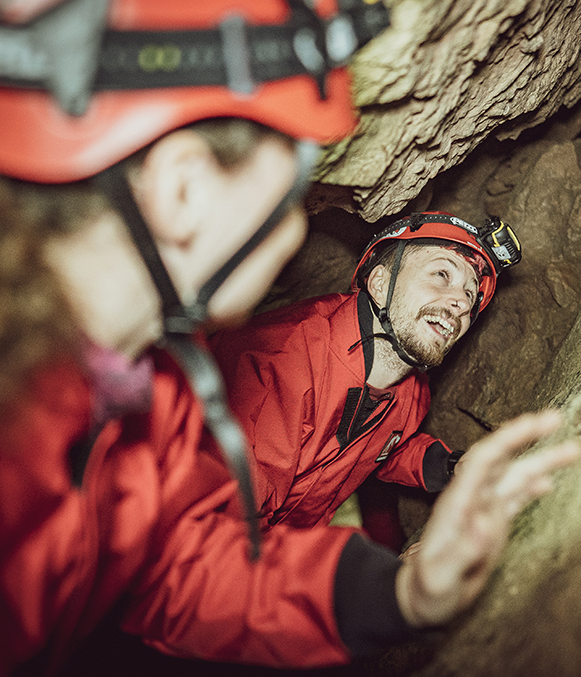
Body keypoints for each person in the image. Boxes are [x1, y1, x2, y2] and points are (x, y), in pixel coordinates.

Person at [0, 0, 581, 676]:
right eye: (295, 187)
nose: (298, 230)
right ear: (183, 189)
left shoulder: (146, 392)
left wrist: (398, 588)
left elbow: (183, 568)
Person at [210, 212, 523, 551]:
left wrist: (449, 466)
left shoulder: (411, 391)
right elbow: (227, 542)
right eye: (441, 274)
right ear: (379, 284)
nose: (462, 303)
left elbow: (385, 447)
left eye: (471, 295)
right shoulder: (276, 367)